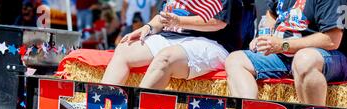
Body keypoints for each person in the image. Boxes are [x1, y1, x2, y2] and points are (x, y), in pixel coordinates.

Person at [225, 0, 347, 106]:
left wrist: (283, 45)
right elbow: (271, 13)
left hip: (334, 58)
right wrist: (264, 37)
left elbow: (332, 40)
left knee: (304, 60)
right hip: (287, 56)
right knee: (235, 60)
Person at [102, 0, 243, 90]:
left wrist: (180, 21)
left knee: (165, 58)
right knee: (124, 49)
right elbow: (163, 16)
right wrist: (149, 27)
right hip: (171, 36)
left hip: (212, 42)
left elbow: (218, 22)